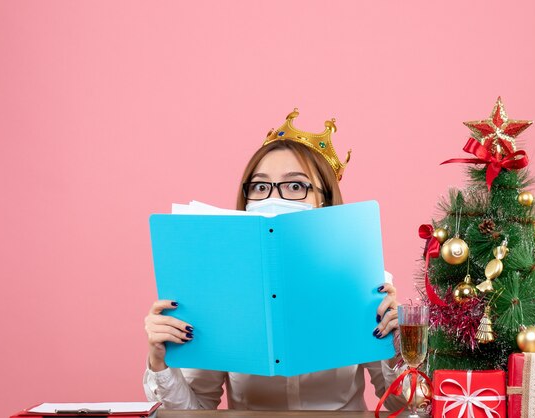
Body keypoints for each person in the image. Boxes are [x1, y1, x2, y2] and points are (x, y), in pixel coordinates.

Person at [143, 109, 404, 411]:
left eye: (295, 186)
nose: (272, 197)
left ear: (326, 200)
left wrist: (400, 344)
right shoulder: (218, 285)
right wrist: (160, 362)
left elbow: (399, 402)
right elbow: (197, 409)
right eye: (260, 186)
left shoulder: (366, 278)